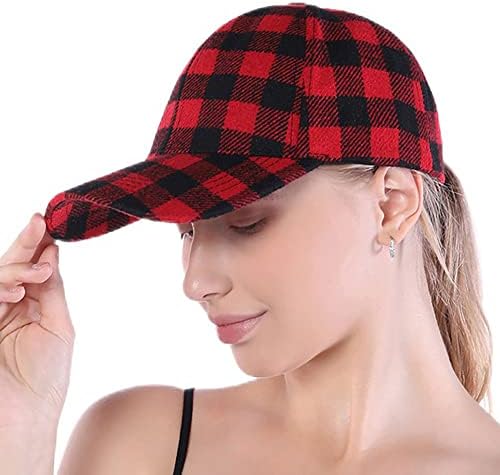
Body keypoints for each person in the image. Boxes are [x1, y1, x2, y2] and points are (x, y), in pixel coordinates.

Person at [2, 3, 500, 474]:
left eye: (246, 223)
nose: (195, 284)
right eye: (186, 231)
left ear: (392, 204)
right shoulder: (138, 444)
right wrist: (20, 429)